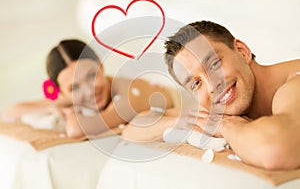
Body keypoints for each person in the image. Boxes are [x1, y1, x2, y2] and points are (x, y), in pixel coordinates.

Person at [163, 20, 300, 170]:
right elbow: (138, 125)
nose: (212, 86)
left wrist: (226, 126)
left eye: (214, 64)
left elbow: (274, 150)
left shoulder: (294, 85)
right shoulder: (219, 106)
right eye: (196, 84)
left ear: (242, 51)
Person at [2, 39, 174, 138]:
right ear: (61, 91)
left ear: (100, 65)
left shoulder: (128, 93)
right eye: (74, 87)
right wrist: (54, 104)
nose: (89, 90)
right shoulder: (72, 96)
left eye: (92, 76)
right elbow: (10, 113)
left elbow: (77, 129)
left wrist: (69, 112)